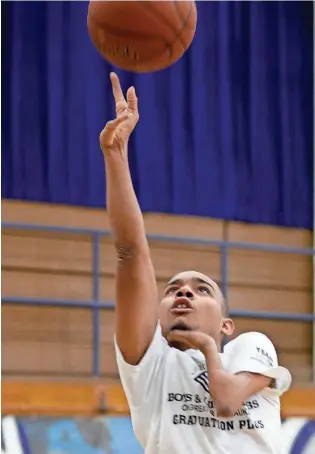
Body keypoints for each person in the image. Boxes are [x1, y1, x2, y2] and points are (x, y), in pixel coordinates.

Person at [100, 72, 292, 454]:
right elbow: (130, 251)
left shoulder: (251, 347)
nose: (184, 291)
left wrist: (206, 346)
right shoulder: (150, 364)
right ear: (158, 313)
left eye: (201, 289)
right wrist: (116, 153)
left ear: (226, 324)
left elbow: (225, 400)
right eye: (172, 290)